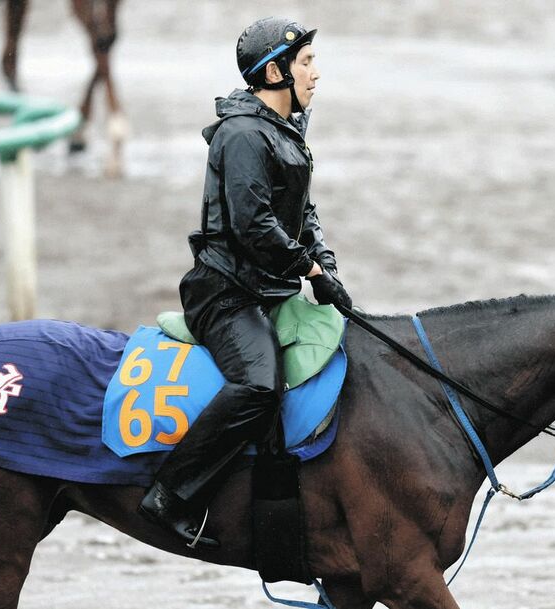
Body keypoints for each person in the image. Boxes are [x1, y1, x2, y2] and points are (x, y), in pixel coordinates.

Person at [138, 17, 352, 549]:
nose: (316, 75)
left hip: (269, 288)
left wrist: (324, 262)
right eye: (306, 63)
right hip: (224, 292)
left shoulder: (285, 130)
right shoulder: (241, 135)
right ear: (276, 71)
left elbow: (303, 211)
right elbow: (253, 224)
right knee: (259, 384)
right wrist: (309, 269)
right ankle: (170, 494)